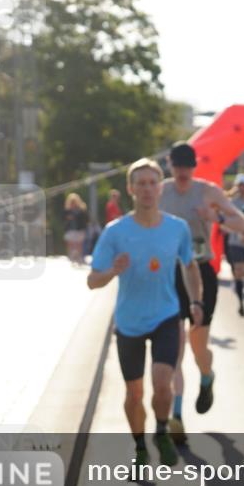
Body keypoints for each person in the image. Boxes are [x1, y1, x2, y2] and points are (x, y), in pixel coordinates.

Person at [87, 159, 202, 467]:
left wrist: (196, 302)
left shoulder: (177, 228)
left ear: (160, 188)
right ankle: (139, 447)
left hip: (166, 315)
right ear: (130, 189)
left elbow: (190, 265)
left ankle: (161, 432)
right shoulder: (115, 232)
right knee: (134, 393)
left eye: (153, 182)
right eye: (141, 183)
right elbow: (92, 281)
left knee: (163, 382)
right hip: (129, 322)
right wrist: (113, 270)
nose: (148, 189)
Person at [160, 142, 244, 445]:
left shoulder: (208, 191)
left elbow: (242, 222)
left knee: (198, 347)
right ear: (170, 166)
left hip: (201, 271)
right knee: (175, 349)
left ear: (194, 166)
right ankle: (177, 416)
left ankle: (207, 376)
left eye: (188, 166)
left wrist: (215, 218)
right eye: (178, 166)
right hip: (170, 275)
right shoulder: (160, 192)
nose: (183, 172)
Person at [223, 174, 244, 316]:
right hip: (235, 242)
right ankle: (241, 303)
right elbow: (223, 223)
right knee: (238, 271)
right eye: (240, 185)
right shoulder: (231, 203)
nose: (242, 188)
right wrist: (234, 229)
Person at [63, 193, 89, 264]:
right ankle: (71, 257)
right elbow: (63, 218)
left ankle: (79, 257)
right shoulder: (67, 210)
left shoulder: (81, 210)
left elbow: (86, 219)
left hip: (79, 229)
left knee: (79, 244)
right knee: (70, 243)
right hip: (70, 229)